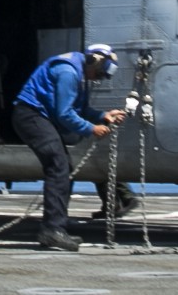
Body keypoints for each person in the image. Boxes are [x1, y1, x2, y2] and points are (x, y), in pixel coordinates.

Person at [12, 43, 126, 251]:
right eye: (100, 72)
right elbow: (64, 114)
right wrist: (91, 129)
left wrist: (103, 116)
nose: (99, 77)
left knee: (64, 167)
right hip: (30, 116)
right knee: (58, 165)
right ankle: (52, 230)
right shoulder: (68, 72)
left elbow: (78, 108)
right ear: (94, 61)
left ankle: (56, 226)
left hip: (38, 116)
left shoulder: (79, 72)